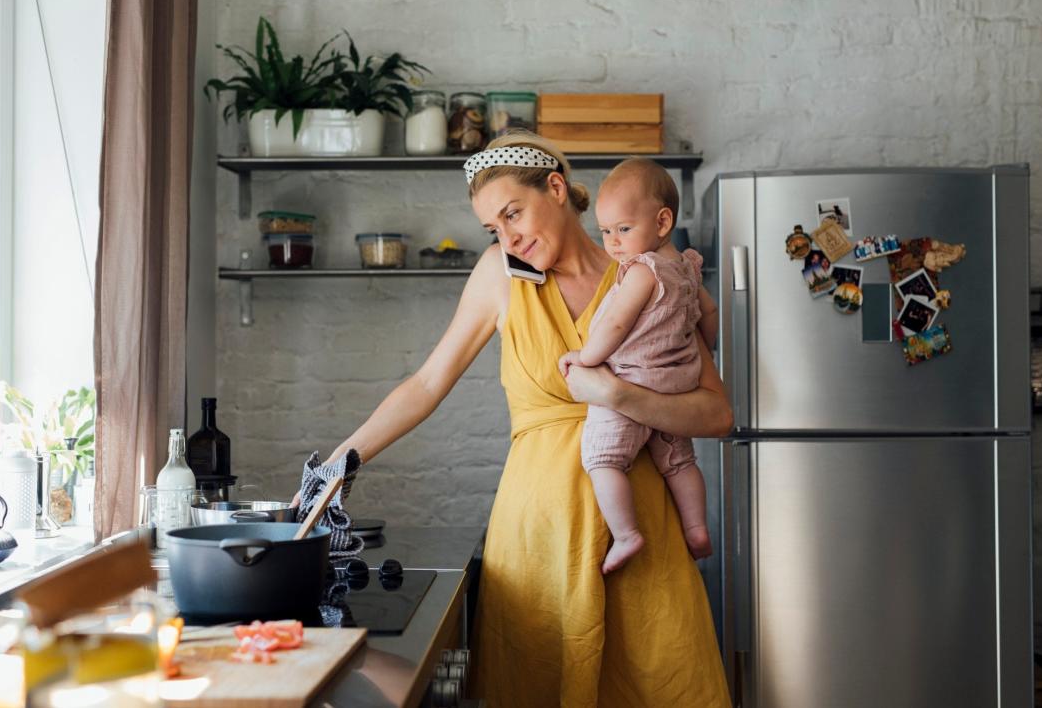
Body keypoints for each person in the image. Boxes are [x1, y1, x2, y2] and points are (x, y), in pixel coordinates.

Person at [312, 132, 732, 706]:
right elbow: (428, 383)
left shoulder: (650, 273)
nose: (508, 237)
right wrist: (340, 461)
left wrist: (617, 395)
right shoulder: (500, 275)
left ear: (556, 188)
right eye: (494, 227)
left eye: (514, 213)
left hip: (643, 539)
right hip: (540, 539)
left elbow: (717, 412)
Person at [558, 158, 718, 573]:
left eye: (623, 229)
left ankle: (626, 534)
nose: (612, 242)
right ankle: (697, 527)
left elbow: (615, 323)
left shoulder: (641, 271)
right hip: (676, 387)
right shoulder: (687, 267)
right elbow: (710, 313)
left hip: (630, 381)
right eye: (605, 231)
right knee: (680, 462)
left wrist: (586, 358)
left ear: (662, 222)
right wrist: (709, 349)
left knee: (602, 460)